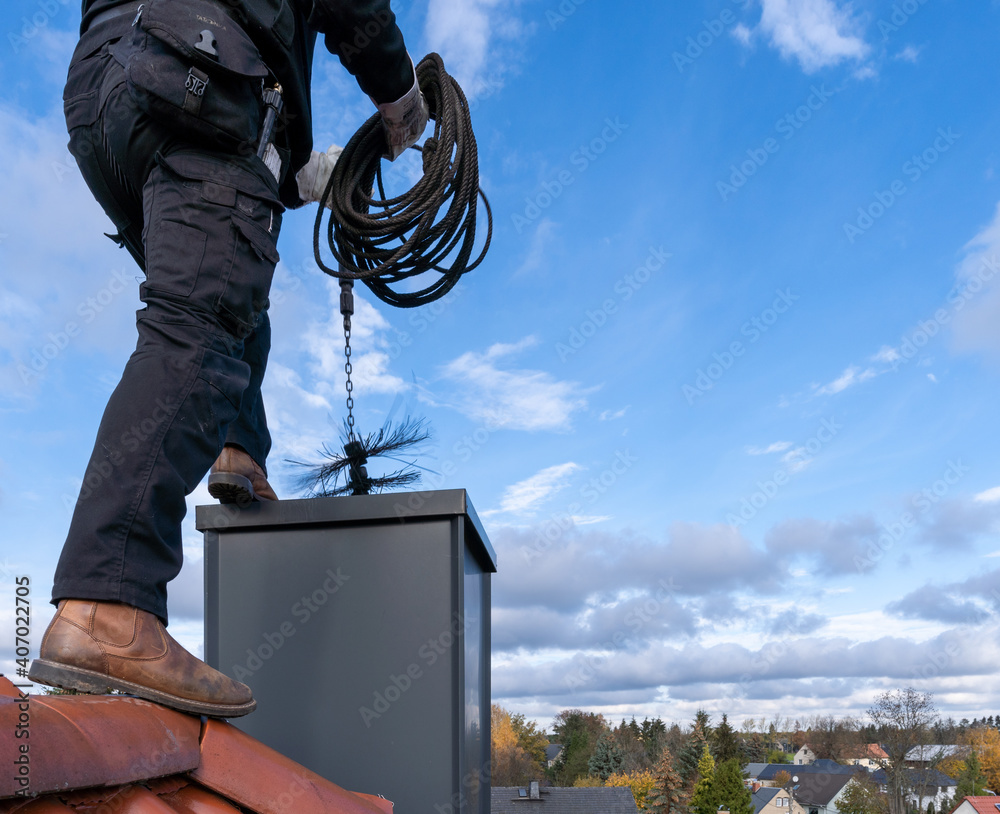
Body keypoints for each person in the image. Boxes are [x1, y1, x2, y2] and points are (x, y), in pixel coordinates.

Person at [29, 0, 428, 718]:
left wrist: (297, 173)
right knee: (199, 328)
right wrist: (397, 93)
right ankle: (106, 609)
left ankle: (240, 452)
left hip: (108, 96)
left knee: (226, 288)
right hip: (199, 71)